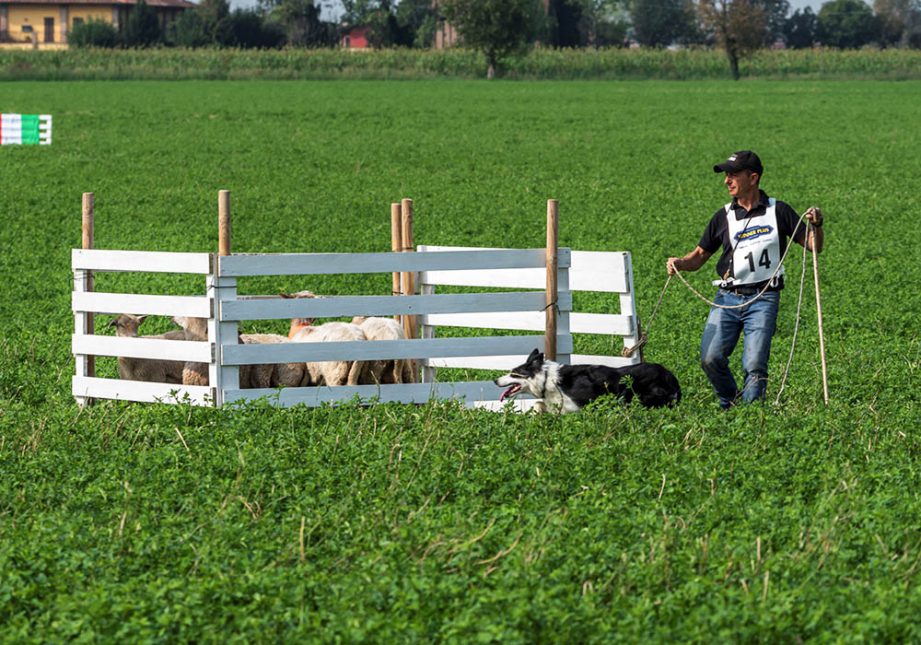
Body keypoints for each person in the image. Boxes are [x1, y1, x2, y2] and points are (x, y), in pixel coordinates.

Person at [666, 150, 825, 409]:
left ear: (753, 178)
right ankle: (731, 402)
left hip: (764, 298)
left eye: (733, 175)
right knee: (710, 358)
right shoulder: (723, 216)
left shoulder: (778, 211)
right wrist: (680, 263)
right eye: (726, 175)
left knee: (754, 365)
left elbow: (812, 246)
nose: (726, 181)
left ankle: (750, 418)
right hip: (727, 298)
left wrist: (817, 225)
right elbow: (699, 256)